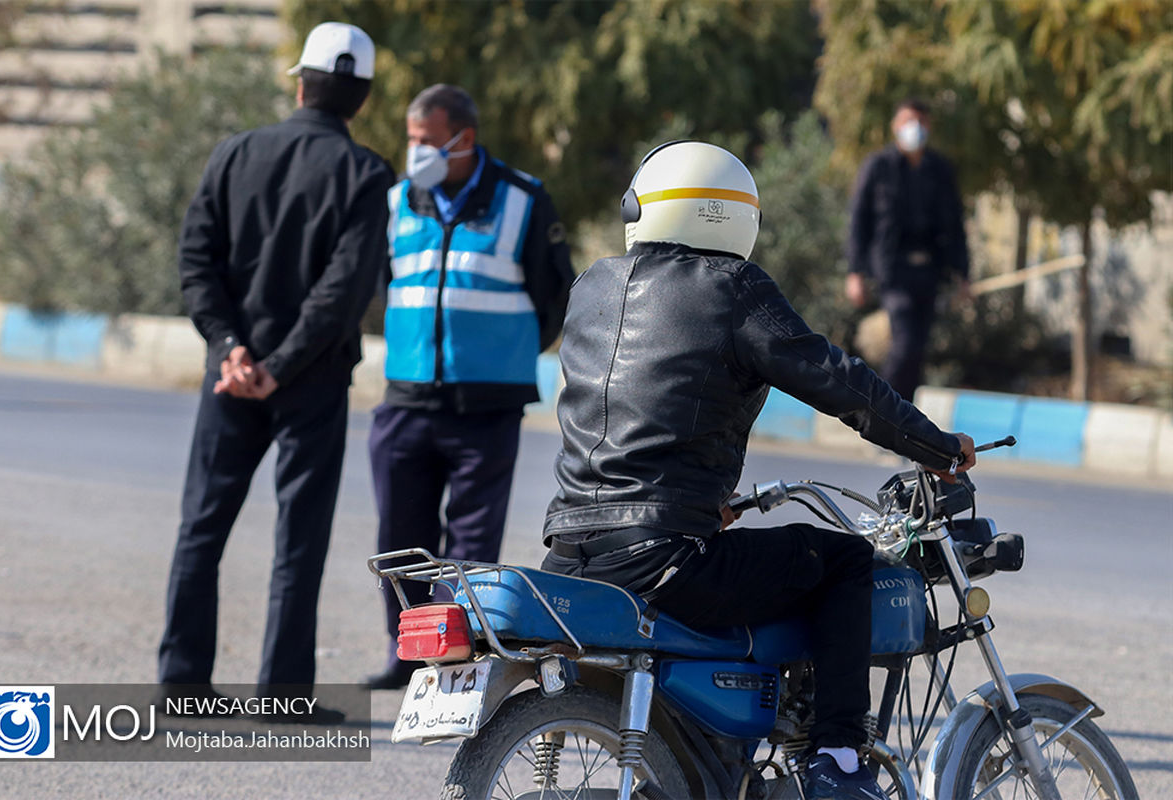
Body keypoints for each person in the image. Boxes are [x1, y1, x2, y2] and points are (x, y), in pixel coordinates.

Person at [542, 141, 976, 800]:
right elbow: (840, 383)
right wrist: (937, 449)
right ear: (729, 214)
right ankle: (838, 759)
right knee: (844, 562)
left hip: (570, 550)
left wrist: (699, 499)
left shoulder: (592, 286)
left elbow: (634, 411)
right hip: (664, 555)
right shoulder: (731, 288)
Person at [158, 22, 393, 719]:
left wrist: (231, 348)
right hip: (311, 381)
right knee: (300, 538)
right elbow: (343, 292)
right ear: (362, 98)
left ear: (300, 83)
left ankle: (181, 686)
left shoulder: (234, 153)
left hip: (229, 376)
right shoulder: (367, 174)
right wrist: (282, 366)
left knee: (202, 524)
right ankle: (282, 699)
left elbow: (195, 262)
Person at [364, 84, 575, 691]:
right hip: (406, 397)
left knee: (469, 545)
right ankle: (405, 653)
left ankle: (454, 664)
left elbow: (555, 297)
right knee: (400, 541)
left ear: (464, 139)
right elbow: (381, 284)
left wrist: (507, 352)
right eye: (412, 141)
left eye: (426, 141)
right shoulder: (397, 200)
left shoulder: (523, 200)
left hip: (488, 403)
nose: (415, 153)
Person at [846, 98, 970, 401]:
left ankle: (905, 426)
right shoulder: (878, 166)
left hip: (929, 271)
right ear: (895, 126)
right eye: (907, 121)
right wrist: (855, 272)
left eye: (921, 122)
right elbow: (858, 220)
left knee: (917, 352)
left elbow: (955, 225)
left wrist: (963, 274)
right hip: (892, 272)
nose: (914, 128)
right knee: (905, 343)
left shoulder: (940, 170)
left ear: (929, 126)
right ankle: (878, 412)